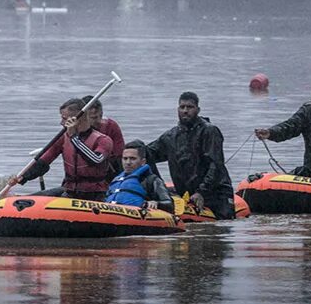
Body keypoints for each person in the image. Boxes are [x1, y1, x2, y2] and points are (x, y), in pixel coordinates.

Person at [147, 91, 236, 219]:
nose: (185, 111)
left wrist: (201, 192)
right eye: (182, 107)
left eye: (189, 107)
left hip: (216, 193)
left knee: (222, 226)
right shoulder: (170, 136)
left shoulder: (209, 131)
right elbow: (146, 154)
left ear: (198, 109)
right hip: (187, 194)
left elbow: (216, 165)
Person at [10, 97, 114, 200]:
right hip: (70, 191)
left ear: (78, 118)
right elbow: (44, 161)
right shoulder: (63, 138)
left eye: (64, 118)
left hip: (95, 195)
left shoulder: (103, 140)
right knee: (36, 198)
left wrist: (74, 137)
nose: (61, 123)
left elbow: (96, 160)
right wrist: (23, 177)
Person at [104, 141, 175, 213]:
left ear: (143, 161)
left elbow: (170, 204)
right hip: (112, 214)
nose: (128, 162)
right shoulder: (116, 180)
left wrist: (156, 203)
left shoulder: (152, 180)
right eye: (125, 159)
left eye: (133, 159)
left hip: (139, 216)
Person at [82, 94, 125, 174]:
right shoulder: (74, 131)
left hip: (108, 168)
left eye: (100, 116)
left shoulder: (111, 126)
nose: (98, 121)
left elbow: (119, 152)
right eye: (93, 118)